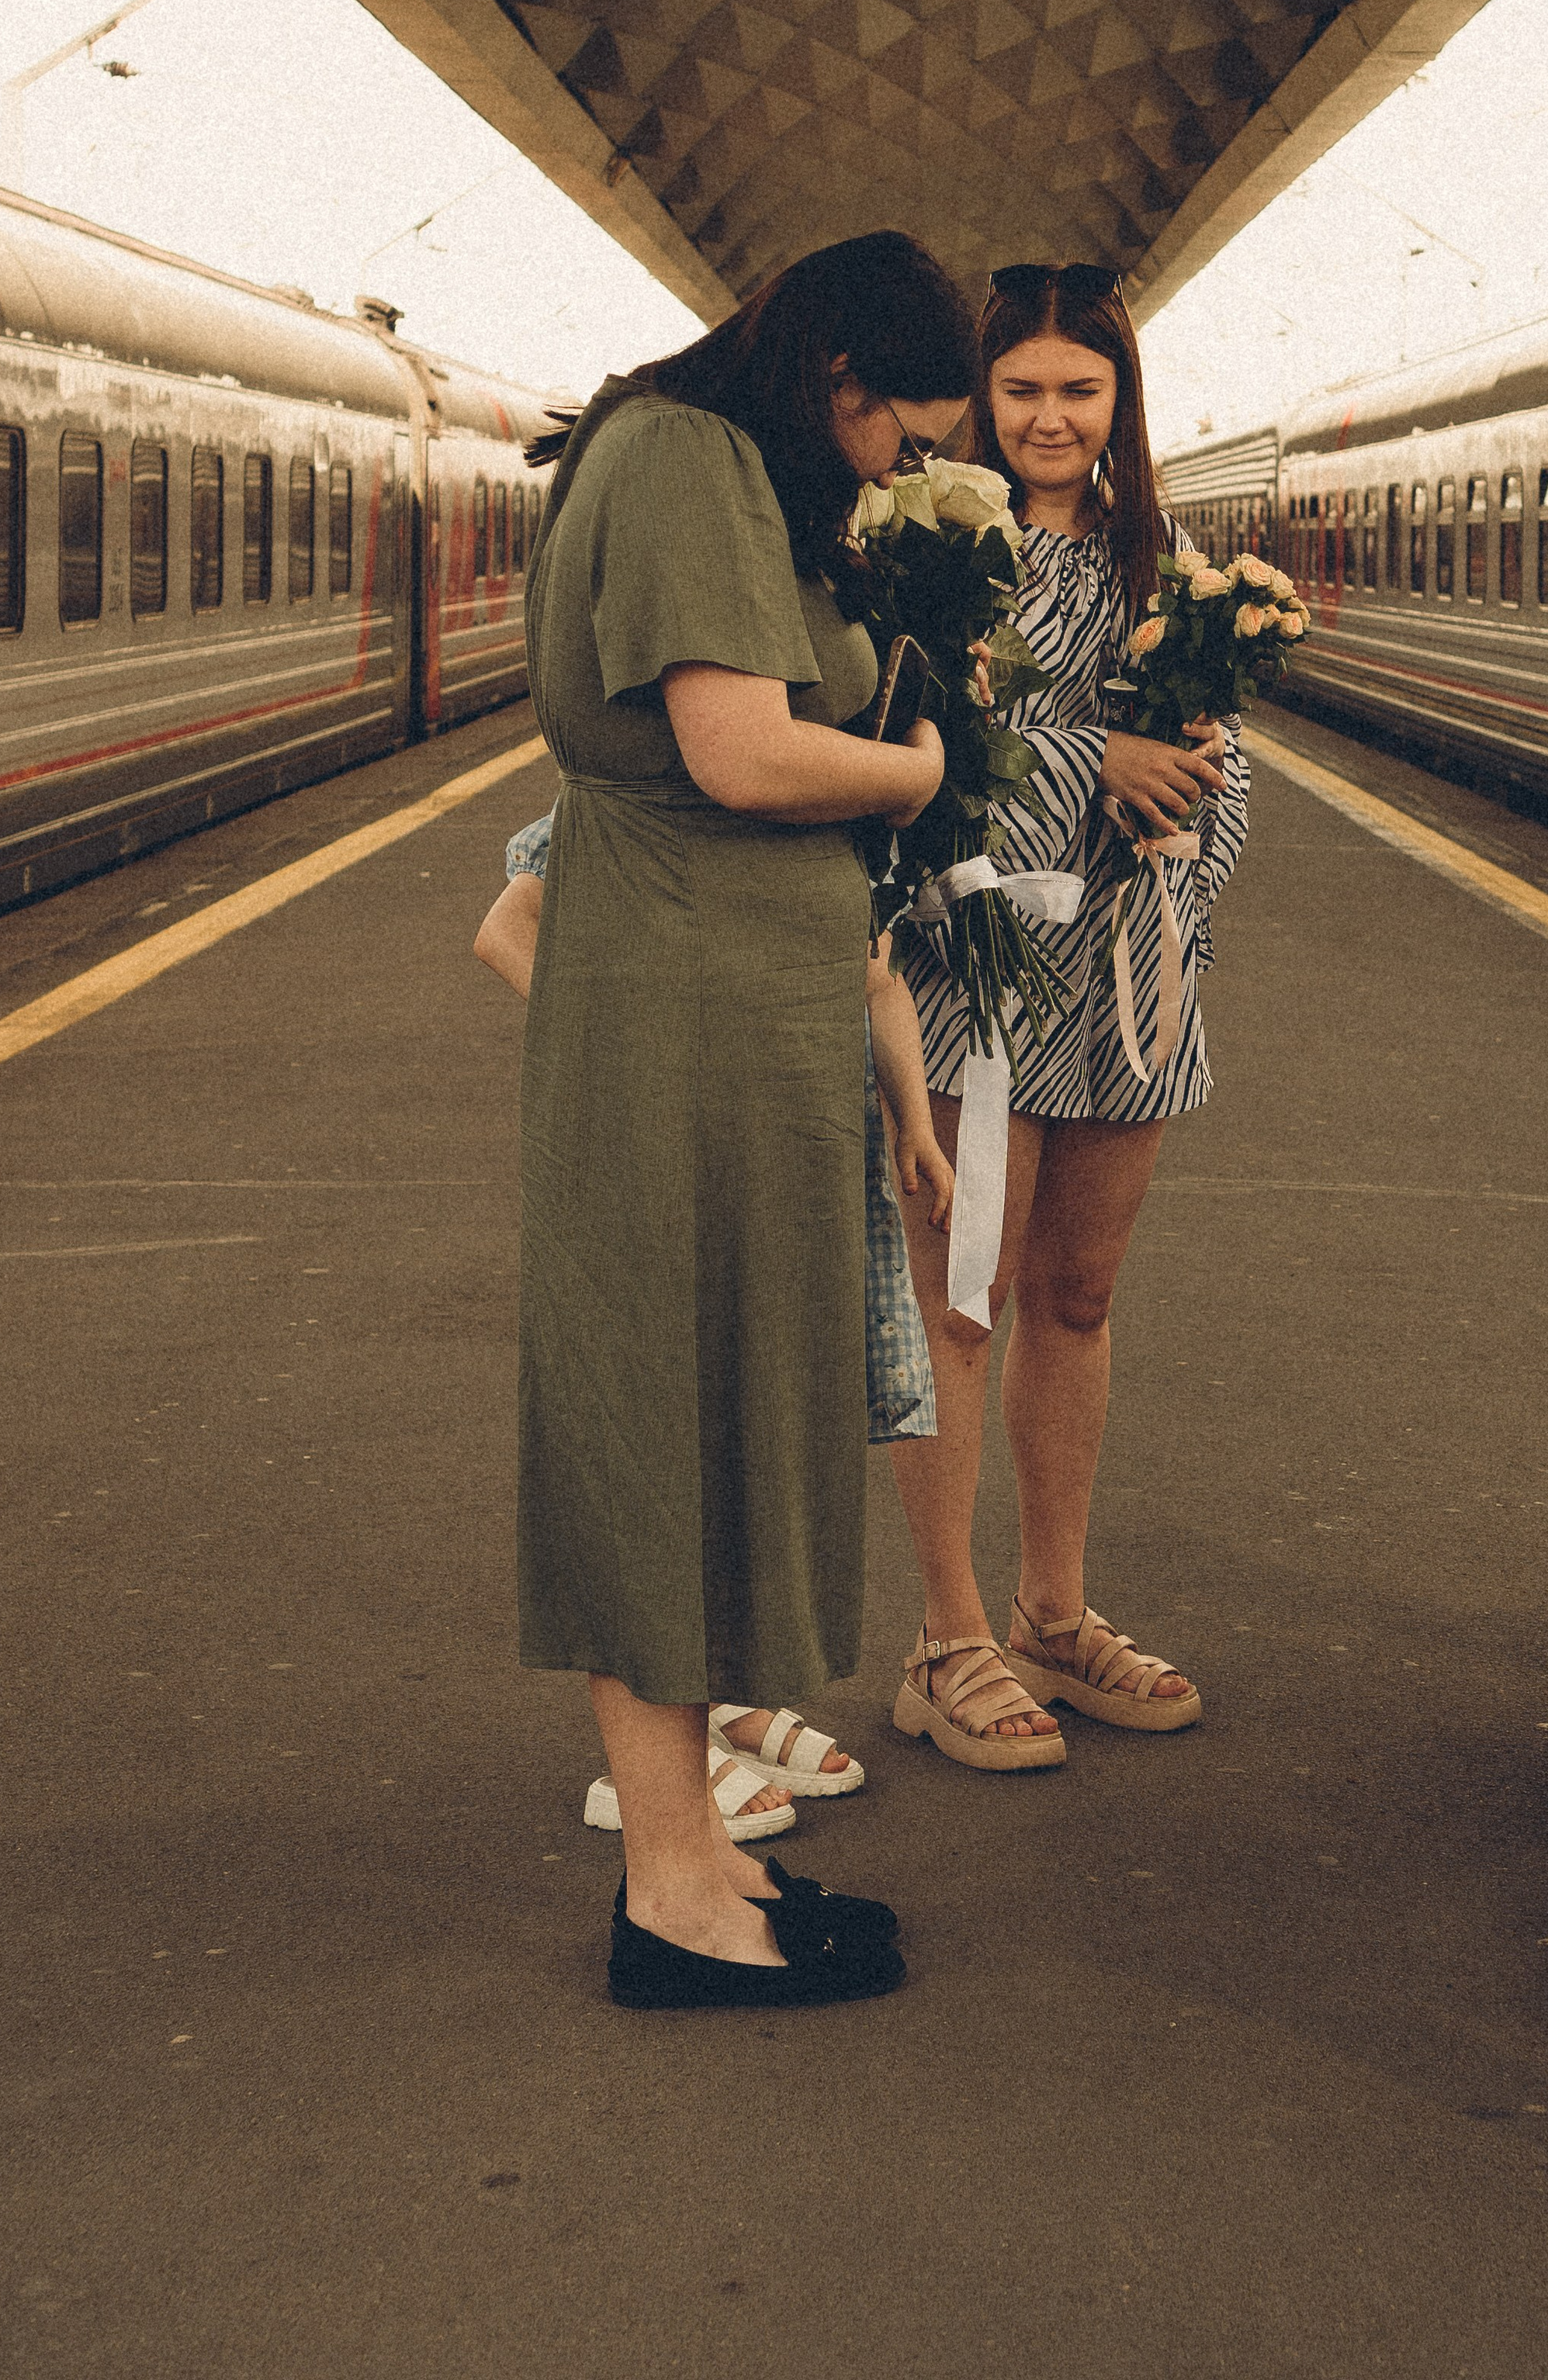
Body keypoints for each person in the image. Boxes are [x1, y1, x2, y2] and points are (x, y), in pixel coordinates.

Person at [518, 230, 975, 2008]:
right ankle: (667, 1895)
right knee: (661, 1413)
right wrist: (919, 770)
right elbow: (738, 750)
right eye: (899, 433)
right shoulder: (690, 456)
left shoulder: (704, 454)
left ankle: (696, 1858)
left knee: (708, 1414)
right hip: (675, 1022)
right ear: (833, 378)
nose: (899, 468)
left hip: (726, 1013)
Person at [888, 261, 1250, 1766]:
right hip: (974, 964)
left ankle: (1053, 1609)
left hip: (1127, 983)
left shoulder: (1170, 567)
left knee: (1079, 1300)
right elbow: (909, 762)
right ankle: (945, 1639)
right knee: (961, 1303)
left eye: (1075, 389)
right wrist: (1089, 762)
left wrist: (1186, 865)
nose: (1047, 416)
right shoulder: (920, 556)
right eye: (1021, 387)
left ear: (1118, 402)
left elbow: (1225, 767)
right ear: (981, 397)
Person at [478, 839, 951, 1835]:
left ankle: (720, 1699)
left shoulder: (833, 812)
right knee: (669, 1427)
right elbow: (506, 929)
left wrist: (914, 1119)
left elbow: (875, 977)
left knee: (747, 1422)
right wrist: (627, 1052)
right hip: (673, 1147)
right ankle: (653, 1758)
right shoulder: (639, 800)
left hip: (786, 1155)